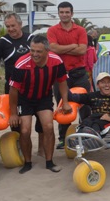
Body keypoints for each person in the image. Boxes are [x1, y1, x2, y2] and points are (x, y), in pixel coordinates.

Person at [9, 35, 71, 173]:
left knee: (48, 126)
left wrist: (65, 102)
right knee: (24, 130)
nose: (34, 54)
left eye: (39, 51)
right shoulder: (21, 64)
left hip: (44, 97)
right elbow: (13, 90)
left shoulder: (56, 61)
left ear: (47, 51)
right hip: (24, 99)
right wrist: (13, 113)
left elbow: (62, 82)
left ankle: (49, 162)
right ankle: (27, 162)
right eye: (32, 50)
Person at [48, 1, 90, 149]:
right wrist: (73, 46)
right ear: (58, 13)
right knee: (61, 105)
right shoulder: (52, 30)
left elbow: (82, 51)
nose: (64, 14)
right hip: (60, 74)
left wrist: (61, 49)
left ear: (72, 13)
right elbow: (52, 49)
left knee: (85, 104)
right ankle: (63, 138)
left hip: (79, 73)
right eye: (61, 12)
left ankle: (86, 133)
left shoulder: (81, 30)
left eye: (67, 12)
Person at [0, 13, 33, 93]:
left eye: (13, 26)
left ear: (20, 25)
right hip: (13, 87)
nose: (10, 29)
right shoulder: (3, 42)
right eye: (8, 26)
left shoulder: (31, 39)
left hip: (32, 85)